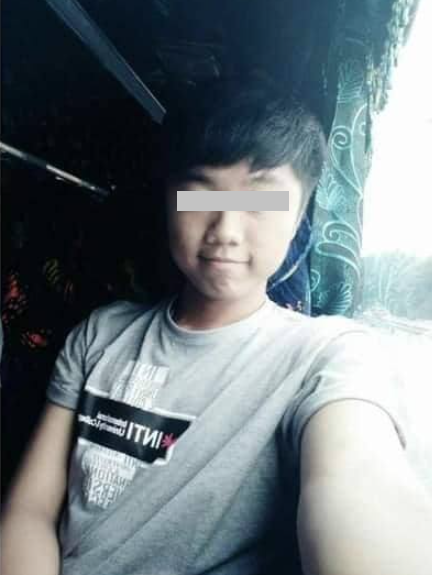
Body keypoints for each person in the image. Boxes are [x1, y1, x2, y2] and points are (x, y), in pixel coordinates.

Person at [2, 76, 432, 575]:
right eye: (198, 196)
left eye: (261, 201)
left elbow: (362, 487)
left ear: (298, 216)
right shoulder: (101, 333)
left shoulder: (328, 357)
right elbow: (31, 509)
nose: (226, 230)